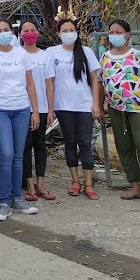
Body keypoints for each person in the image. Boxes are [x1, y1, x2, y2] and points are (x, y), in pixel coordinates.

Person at [0, 18, 40, 220]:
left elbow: (30, 84)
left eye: (6, 30)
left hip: (22, 109)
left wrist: (35, 111)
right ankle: (4, 202)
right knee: (5, 155)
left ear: (12, 32)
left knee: (18, 156)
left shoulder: (22, 54)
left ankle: (16, 198)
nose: (3, 33)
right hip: (1, 110)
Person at [102, 19, 140, 205]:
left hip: (137, 107)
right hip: (115, 108)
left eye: (118, 32)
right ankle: (134, 185)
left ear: (127, 34)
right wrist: (97, 106)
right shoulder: (105, 57)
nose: (114, 35)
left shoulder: (139, 56)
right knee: (123, 145)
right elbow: (100, 83)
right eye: (111, 32)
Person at [49, 10, 103, 200]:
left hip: (83, 105)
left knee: (85, 144)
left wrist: (96, 104)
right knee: (70, 143)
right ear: (58, 33)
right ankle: (74, 181)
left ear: (77, 32)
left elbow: (95, 79)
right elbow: (49, 80)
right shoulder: (51, 53)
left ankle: (88, 183)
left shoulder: (86, 52)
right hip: (63, 106)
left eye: (72, 30)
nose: (69, 33)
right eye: (64, 30)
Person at [18, 20, 56, 202]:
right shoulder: (16, 55)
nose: (30, 33)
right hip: (22, 107)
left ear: (38, 34)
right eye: (26, 30)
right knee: (25, 146)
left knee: (40, 145)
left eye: (33, 30)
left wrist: (50, 110)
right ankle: (29, 184)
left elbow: (49, 84)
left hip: (41, 107)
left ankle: (41, 182)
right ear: (20, 35)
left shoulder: (45, 56)